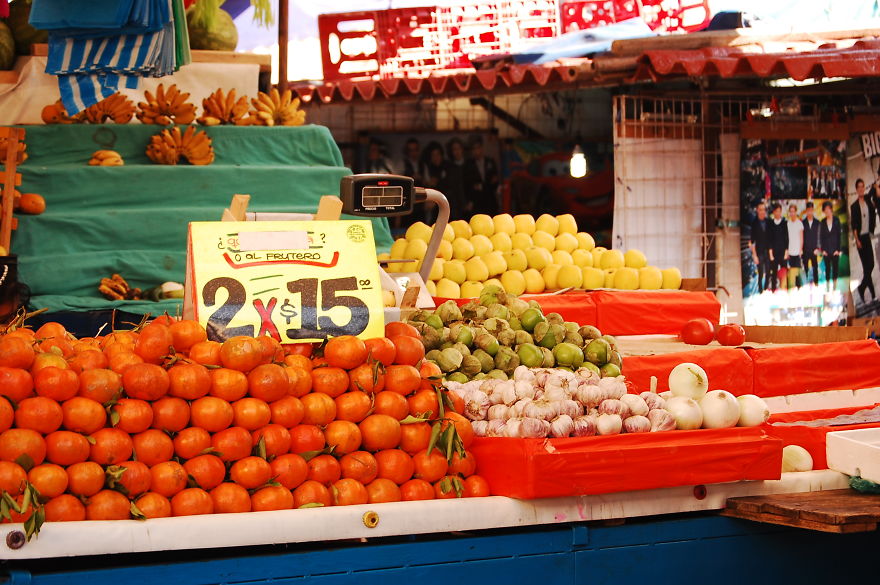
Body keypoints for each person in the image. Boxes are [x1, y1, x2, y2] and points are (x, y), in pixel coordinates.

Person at [850, 178, 877, 303]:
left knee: (870, 265)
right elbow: (854, 225)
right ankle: (873, 294)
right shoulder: (854, 206)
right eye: (858, 187)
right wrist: (857, 240)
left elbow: (873, 189)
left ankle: (861, 288)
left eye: (862, 186)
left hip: (867, 236)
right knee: (867, 266)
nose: (861, 189)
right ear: (856, 190)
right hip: (860, 239)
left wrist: (876, 185)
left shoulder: (867, 198)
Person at [463, 137, 499, 216]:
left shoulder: (490, 161)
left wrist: (482, 186)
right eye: (473, 149)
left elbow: (495, 180)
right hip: (477, 202)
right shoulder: (468, 164)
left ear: (482, 148)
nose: (476, 151)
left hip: (490, 200)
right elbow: (469, 184)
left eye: (478, 148)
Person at [440, 138, 468, 219]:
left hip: (470, 205)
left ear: (462, 149)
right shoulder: (448, 167)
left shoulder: (470, 164)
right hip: (455, 206)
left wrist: (470, 202)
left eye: (459, 148)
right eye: (454, 149)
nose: (457, 151)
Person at [819, 200, 842, 290]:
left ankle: (835, 288)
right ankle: (828, 288)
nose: (827, 211)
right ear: (823, 211)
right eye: (825, 209)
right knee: (827, 270)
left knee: (835, 270)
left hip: (835, 250)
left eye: (828, 209)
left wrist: (838, 250)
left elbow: (839, 236)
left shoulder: (836, 220)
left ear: (831, 209)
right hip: (826, 251)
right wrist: (823, 250)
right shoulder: (822, 222)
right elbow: (821, 237)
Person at [749, 202, 771, 293]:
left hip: (768, 251)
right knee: (761, 272)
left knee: (769, 271)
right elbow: (751, 242)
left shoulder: (768, 222)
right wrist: (754, 255)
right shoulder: (754, 224)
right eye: (760, 209)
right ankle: (760, 289)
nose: (762, 211)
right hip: (759, 251)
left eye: (764, 209)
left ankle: (766, 288)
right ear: (757, 211)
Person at [768, 203, 789, 292]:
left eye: (779, 211)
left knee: (784, 271)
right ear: (774, 212)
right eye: (776, 211)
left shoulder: (784, 223)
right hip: (774, 252)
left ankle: (785, 288)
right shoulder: (771, 223)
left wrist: (786, 251)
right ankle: (773, 290)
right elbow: (769, 239)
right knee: (774, 272)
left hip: (782, 251)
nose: (778, 213)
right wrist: (770, 253)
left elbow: (786, 237)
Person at [802, 201, 820, 286]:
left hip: (814, 250)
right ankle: (805, 284)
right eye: (808, 210)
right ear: (806, 211)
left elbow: (820, 237)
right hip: (805, 249)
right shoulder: (802, 223)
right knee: (805, 268)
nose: (810, 212)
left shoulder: (817, 222)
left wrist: (818, 248)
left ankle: (816, 284)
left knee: (815, 267)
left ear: (813, 210)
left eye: (811, 210)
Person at [786, 204, 804, 289]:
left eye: (794, 211)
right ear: (789, 213)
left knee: (798, 270)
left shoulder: (799, 223)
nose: (792, 213)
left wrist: (800, 250)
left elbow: (801, 238)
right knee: (791, 270)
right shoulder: (788, 223)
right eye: (791, 212)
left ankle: (799, 287)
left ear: (796, 212)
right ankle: (792, 288)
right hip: (790, 251)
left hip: (797, 252)